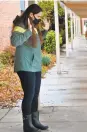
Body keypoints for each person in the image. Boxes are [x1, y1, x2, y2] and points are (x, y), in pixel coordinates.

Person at [11, 4, 49, 132]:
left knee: (35, 94)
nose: (39, 19)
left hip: (35, 65)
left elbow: (37, 42)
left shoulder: (33, 26)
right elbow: (14, 42)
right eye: (38, 16)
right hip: (25, 65)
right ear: (31, 14)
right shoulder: (20, 26)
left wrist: (45, 30)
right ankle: (27, 125)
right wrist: (28, 30)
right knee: (29, 94)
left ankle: (34, 121)